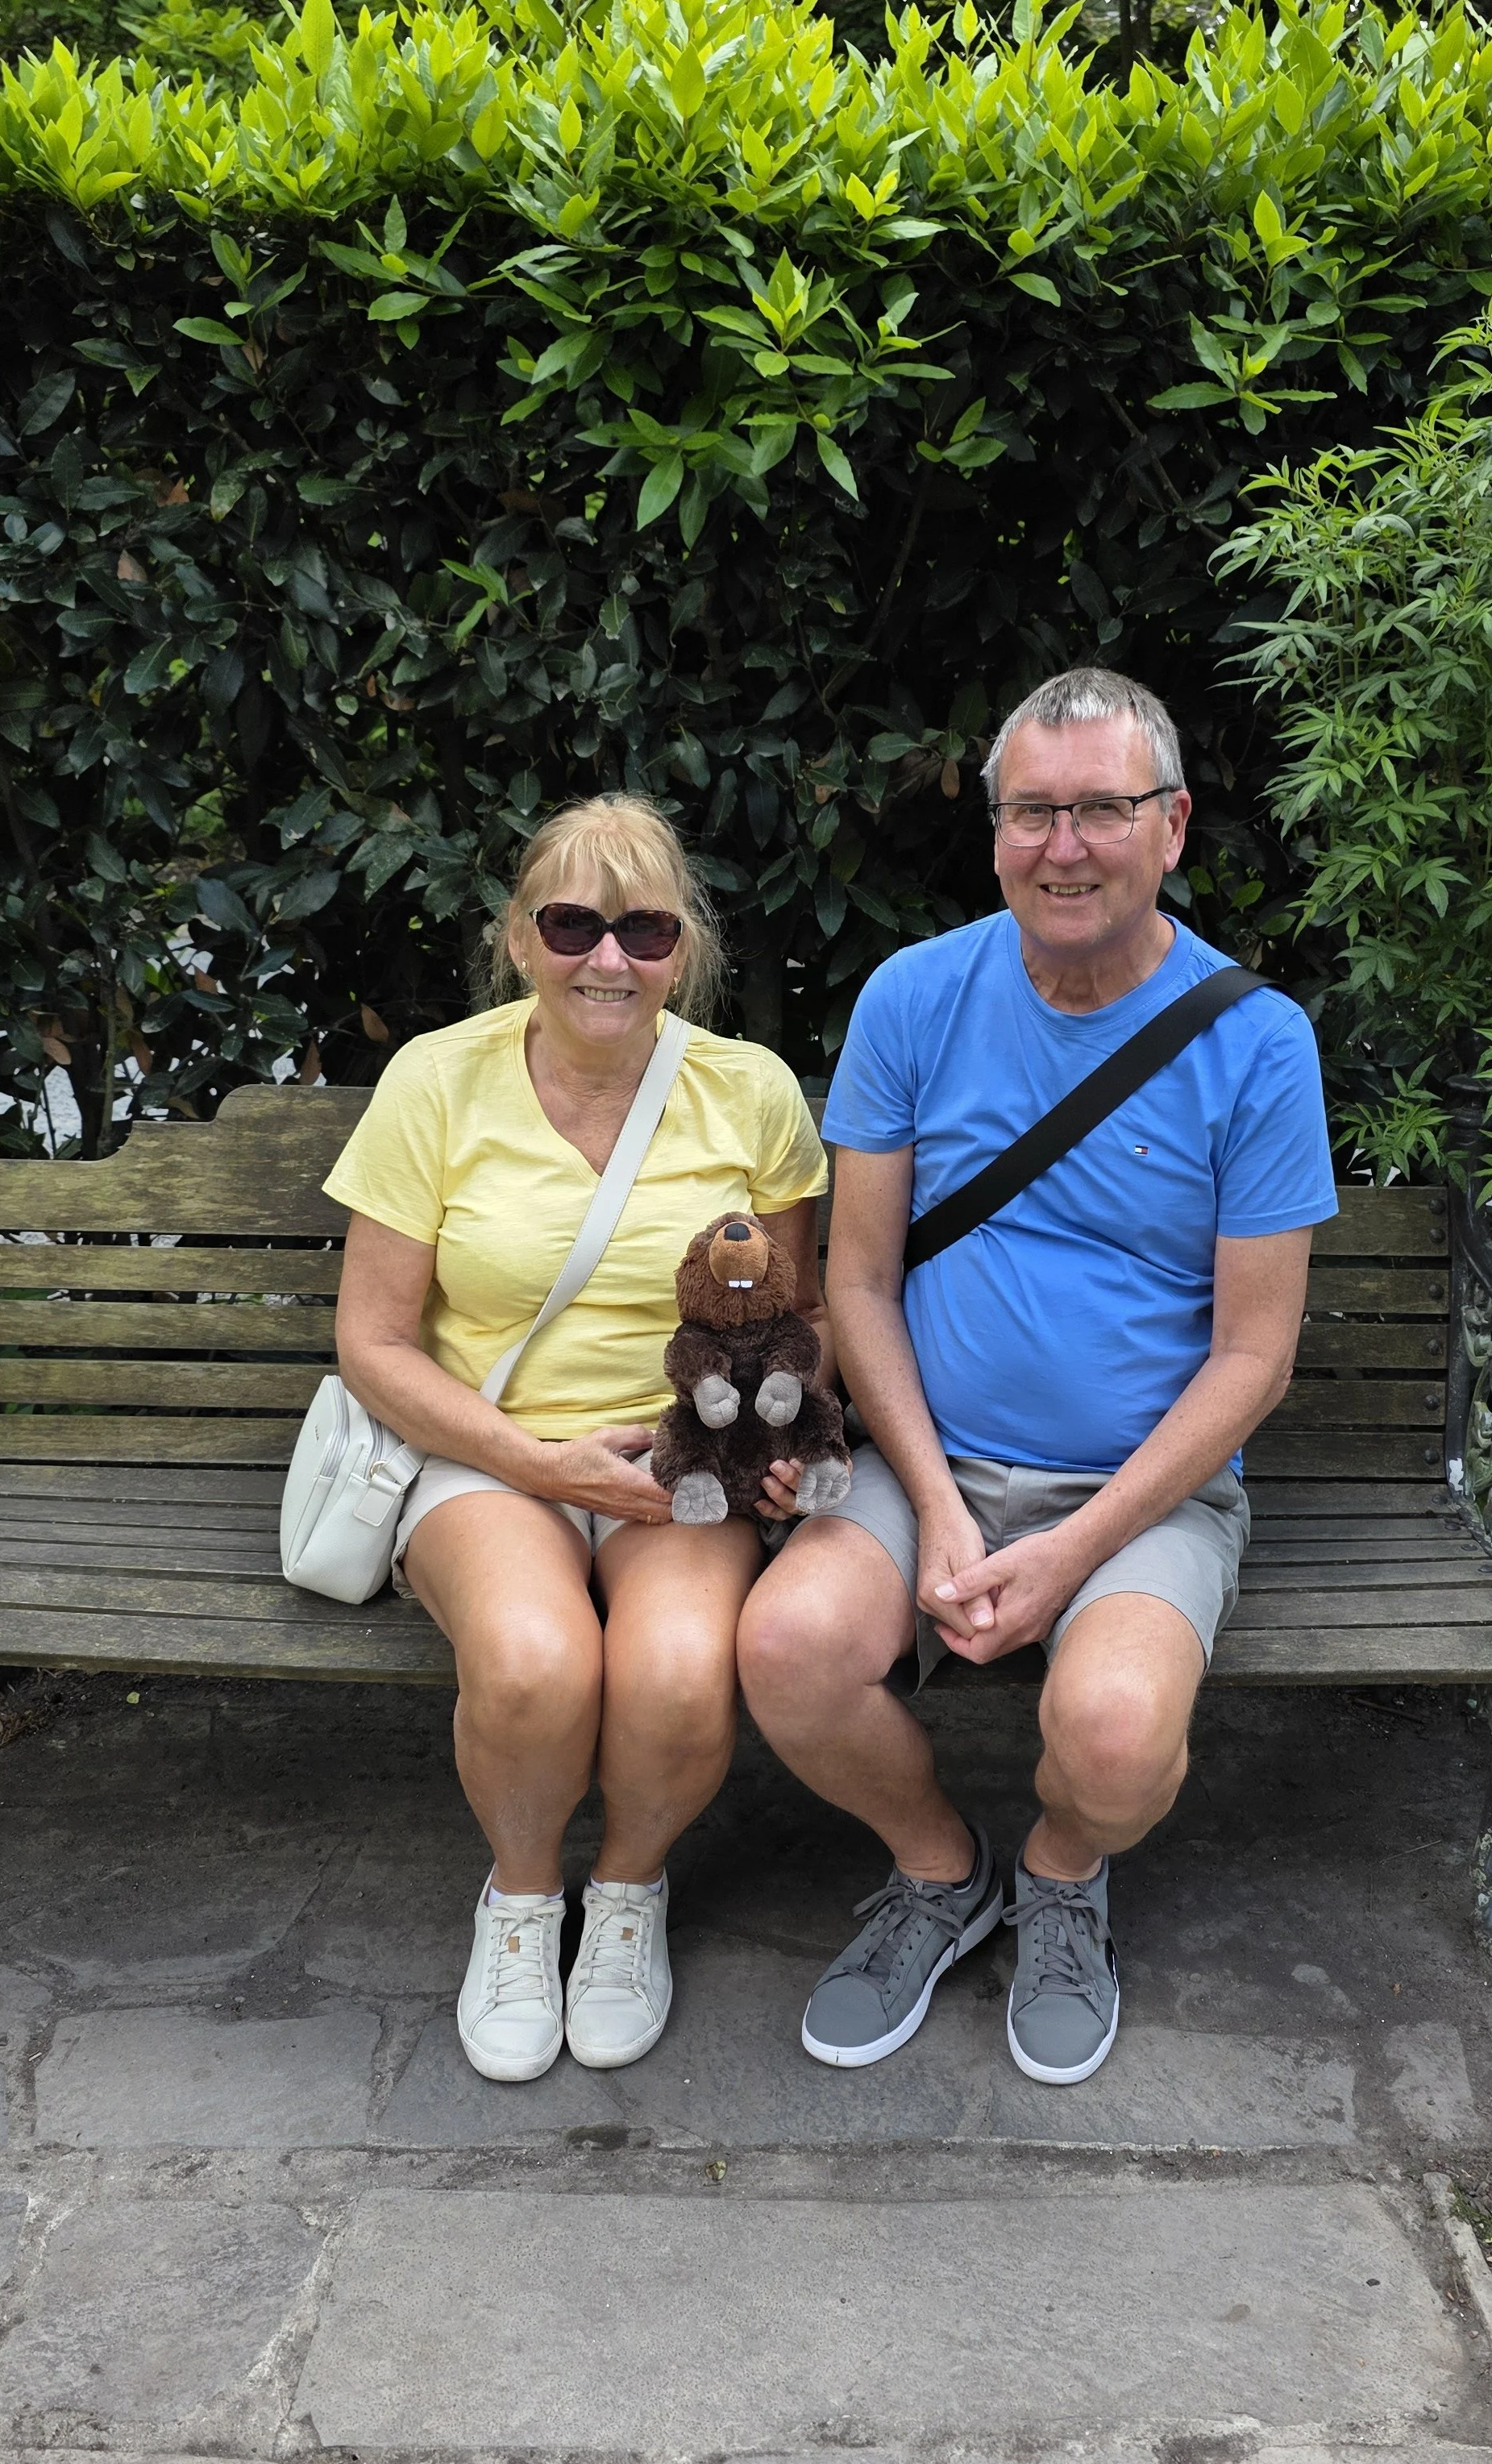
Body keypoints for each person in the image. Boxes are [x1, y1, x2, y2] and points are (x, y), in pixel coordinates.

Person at [738, 666, 1338, 2087]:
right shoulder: (913, 996)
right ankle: (944, 1873)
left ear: (1174, 825)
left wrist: (1073, 1548)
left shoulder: (1255, 1043)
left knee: (1117, 1737)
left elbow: (1255, 1359)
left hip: (1140, 1497)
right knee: (787, 1649)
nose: (1063, 846)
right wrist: (940, 1511)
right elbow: (860, 1283)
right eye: (1032, 813)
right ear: (995, 829)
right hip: (919, 1460)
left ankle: (1063, 1878)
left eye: (1101, 811)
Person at [326, 794, 829, 2084]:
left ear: (684, 953)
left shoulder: (749, 1092)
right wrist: (537, 1463)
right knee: (538, 1658)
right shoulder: (438, 1080)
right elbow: (375, 1343)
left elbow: (799, 1314)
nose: (609, 960)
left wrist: (774, 1433)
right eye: (573, 924)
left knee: (670, 1668)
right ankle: (521, 1902)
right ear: (517, 936)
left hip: (684, 1462)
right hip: (489, 1454)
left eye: (646, 932)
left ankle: (625, 1897)